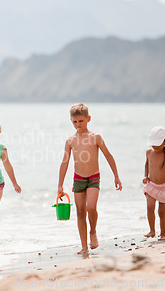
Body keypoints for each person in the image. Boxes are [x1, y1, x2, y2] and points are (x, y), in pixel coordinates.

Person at [57, 103, 122, 255]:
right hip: (78, 179)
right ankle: (84, 246)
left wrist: (116, 176)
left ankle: (93, 231)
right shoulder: (70, 141)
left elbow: (108, 155)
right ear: (71, 121)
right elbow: (65, 162)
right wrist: (60, 185)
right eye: (75, 122)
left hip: (93, 177)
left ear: (88, 119)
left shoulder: (96, 137)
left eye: (81, 121)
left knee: (91, 208)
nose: (78, 124)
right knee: (80, 212)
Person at [142, 126, 165, 241]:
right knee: (149, 207)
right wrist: (146, 176)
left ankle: (162, 234)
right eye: (153, 144)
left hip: (163, 188)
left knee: (162, 212)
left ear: (164, 141)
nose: (155, 146)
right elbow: (147, 164)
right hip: (151, 185)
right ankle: (152, 230)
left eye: (157, 144)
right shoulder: (148, 152)